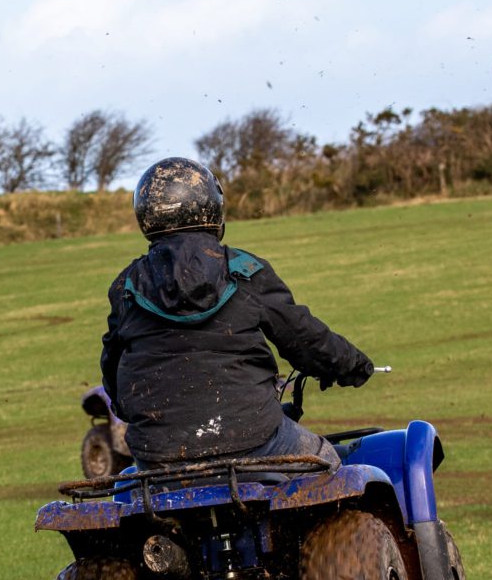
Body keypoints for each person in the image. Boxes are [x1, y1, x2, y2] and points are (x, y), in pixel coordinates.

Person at [100, 157, 374, 471]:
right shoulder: (245, 271)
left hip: (158, 457)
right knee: (330, 464)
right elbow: (303, 336)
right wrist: (351, 364)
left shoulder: (126, 285)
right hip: (255, 440)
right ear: (212, 207)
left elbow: (112, 371)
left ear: (145, 214)